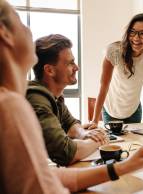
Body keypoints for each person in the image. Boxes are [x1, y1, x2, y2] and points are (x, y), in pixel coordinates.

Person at [0, 1, 143, 193]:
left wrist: (123, 167)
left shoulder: (41, 98)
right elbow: (63, 157)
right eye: (19, 21)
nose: (77, 67)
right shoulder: (13, 106)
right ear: (5, 34)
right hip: (111, 112)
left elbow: (46, 177)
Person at [26, 34, 108, 166]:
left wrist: (84, 134)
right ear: (49, 70)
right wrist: (98, 141)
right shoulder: (37, 99)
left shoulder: (54, 96)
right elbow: (65, 153)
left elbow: (70, 124)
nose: (77, 67)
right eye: (70, 63)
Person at [89, 13, 143, 128]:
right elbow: (104, 86)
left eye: (142, 33)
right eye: (132, 32)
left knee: (134, 145)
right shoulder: (114, 51)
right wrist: (95, 121)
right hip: (112, 111)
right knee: (115, 144)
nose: (136, 38)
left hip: (134, 111)